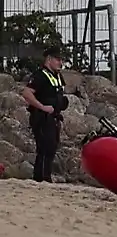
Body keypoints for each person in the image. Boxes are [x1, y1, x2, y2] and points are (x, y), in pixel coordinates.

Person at [21, 46, 67, 182]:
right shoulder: (40, 75)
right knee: (45, 148)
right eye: (58, 59)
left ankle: (45, 177)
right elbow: (26, 93)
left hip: (54, 118)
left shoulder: (57, 76)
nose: (60, 63)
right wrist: (42, 107)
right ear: (49, 59)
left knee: (51, 147)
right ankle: (41, 179)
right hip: (42, 118)